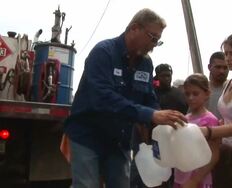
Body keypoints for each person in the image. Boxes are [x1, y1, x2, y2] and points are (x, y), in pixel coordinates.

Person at [63, 8, 187, 188]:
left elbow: (148, 98)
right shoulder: (103, 53)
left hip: (119, 141)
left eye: (158, 41)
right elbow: (102, 98)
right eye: (152, 38)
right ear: (134, 28)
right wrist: (149, 115)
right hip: (88, 135)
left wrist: (161, 117)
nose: (154, 44)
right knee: (87, 184)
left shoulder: (145, 63)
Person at [200, 32, 232, 188]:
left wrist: (205, 131)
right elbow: (227, 120)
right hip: (224, 153)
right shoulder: (228, 84)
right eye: (226, 53)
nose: (228, 58)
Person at [174, 73, 220, 188]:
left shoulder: (210, 120)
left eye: (195, 94)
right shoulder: (185, 118)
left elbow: (214, 156)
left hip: (199, 179)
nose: (191, 98)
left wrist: (195, 180)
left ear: (207, 94)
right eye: (187, 94)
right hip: (181, 176)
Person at [207, 51, 229, 119]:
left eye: (225, 68)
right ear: (209, 67)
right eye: (218, 67)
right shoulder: (201, 89)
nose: (222, 71)